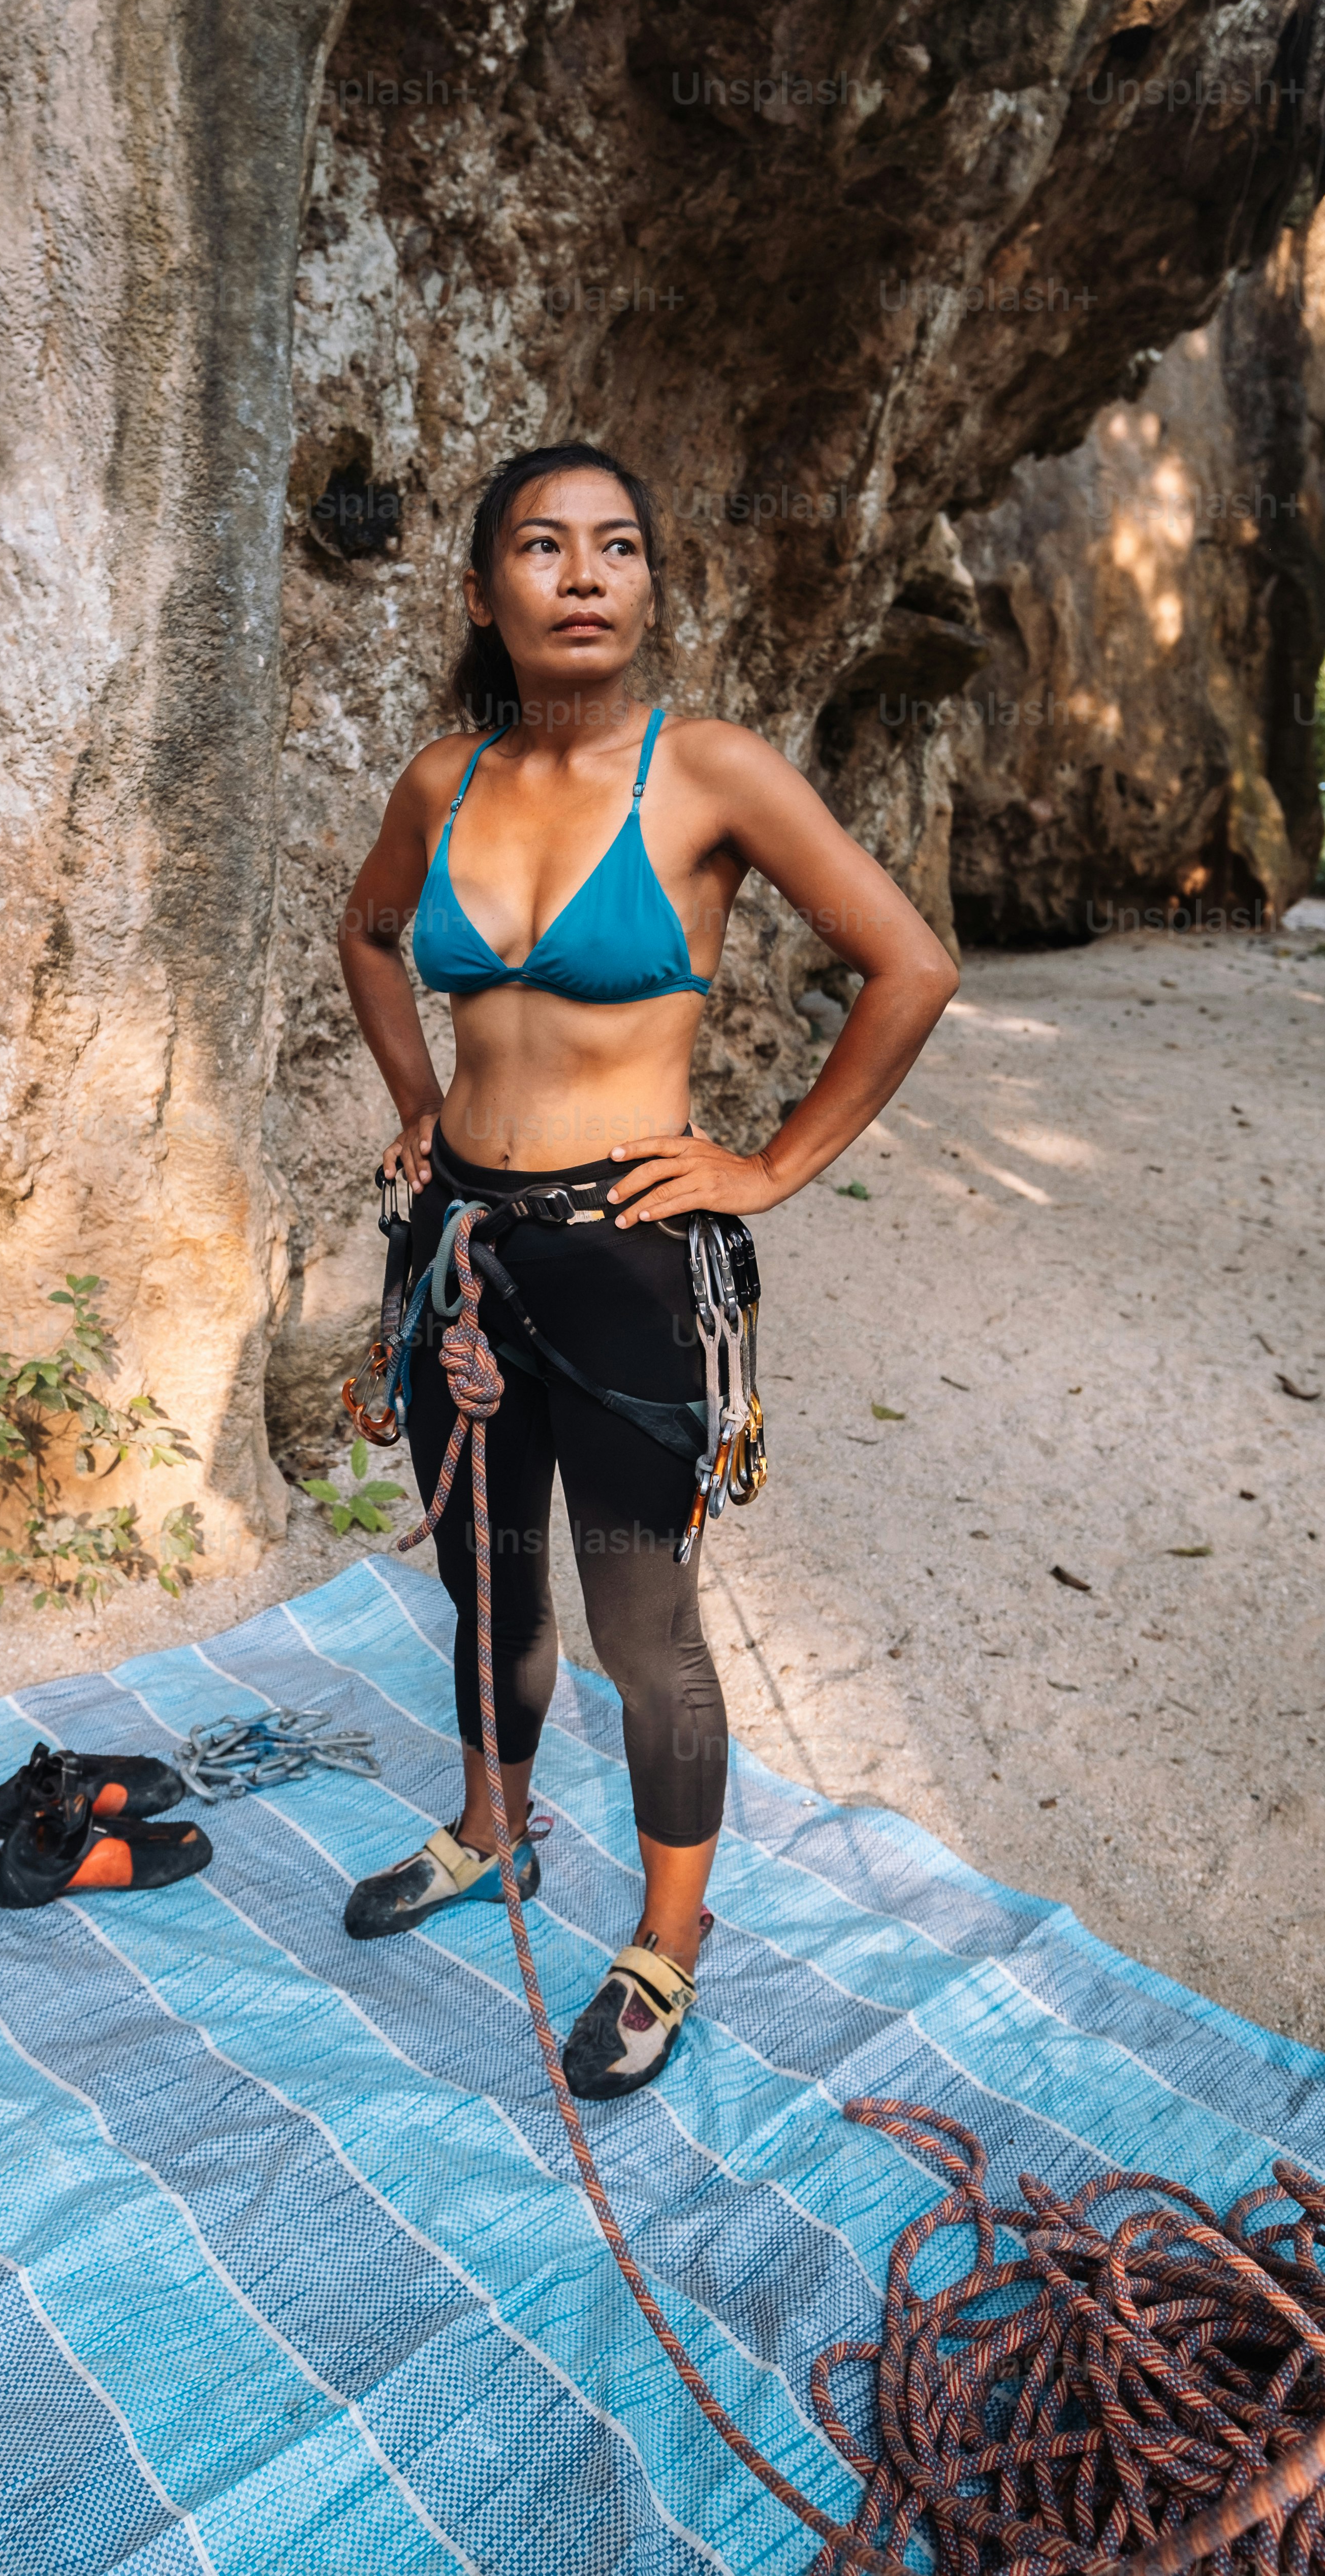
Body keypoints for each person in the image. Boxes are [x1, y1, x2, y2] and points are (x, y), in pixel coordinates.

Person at [334, 442, 958, 2098]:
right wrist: (416, 1104)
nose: (587, 574)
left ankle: (665, 1948)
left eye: (619, 545)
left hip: (625, 1261)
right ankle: (492, 1833)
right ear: (486, 594)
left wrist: (766, 1167)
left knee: (638, 1618)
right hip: (461, 1251)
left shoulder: (714, 775)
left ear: (650, 586)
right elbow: (366, 933)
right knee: (484, 1576)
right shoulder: (438, 780)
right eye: (543, 547)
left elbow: (909, 963)